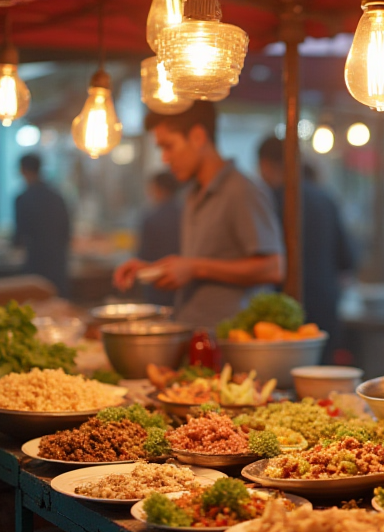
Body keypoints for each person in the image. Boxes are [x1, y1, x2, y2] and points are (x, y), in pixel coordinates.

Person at [113, 102, 284, 331]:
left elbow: (273, 268)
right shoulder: (192, 195)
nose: (165, 158)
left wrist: (194, 268)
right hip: (194, 336)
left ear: (197, 136)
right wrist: (153, 270)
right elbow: (200, 264)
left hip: (228, 344)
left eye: (169, 146)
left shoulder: (241, 190)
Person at [256, 136, 355, 363]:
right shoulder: (325, 198)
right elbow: (347, 259)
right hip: (325, 305)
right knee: (324, 383)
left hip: (284, 311)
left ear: (265, 165)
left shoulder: (269, 201)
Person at [13, 153, 72, 297]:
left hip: (35, 264)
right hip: (58, 264)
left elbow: (18, 237)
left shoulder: (23, 199)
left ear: (22, 170)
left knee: (35, 307)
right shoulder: (57, 196)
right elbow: (67, 231)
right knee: (59, 307)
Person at [137, 171, 183, 307]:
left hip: (157, 284)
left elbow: (143, 254)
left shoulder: (151, 218)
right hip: (183, 285)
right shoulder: (187, 214)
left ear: (157, 188)